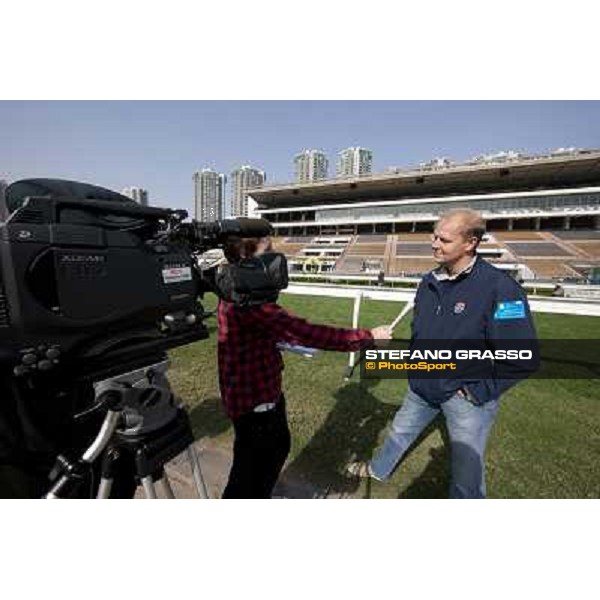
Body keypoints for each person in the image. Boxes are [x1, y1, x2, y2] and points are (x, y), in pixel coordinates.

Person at [348, 209, 538, 498]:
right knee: (399, 433)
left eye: (444, 239)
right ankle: (378, 470)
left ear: (470, 243)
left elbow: (521, 356)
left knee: (466, 472)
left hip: (466, 396)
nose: (434, 244)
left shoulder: (501, 288)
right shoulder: (429, 280)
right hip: (422, 385)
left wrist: (476, 391)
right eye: (434, 236)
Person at [217, 236, 392, 499]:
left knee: (266, 455)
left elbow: (257, 335)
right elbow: (310, 333)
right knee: (249, 472)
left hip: (251, 396)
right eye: (269, 252)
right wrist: (369, 337)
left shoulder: (234, 289)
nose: (276, 258)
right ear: (245, 257)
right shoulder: (252, 306)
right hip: (257, 403)